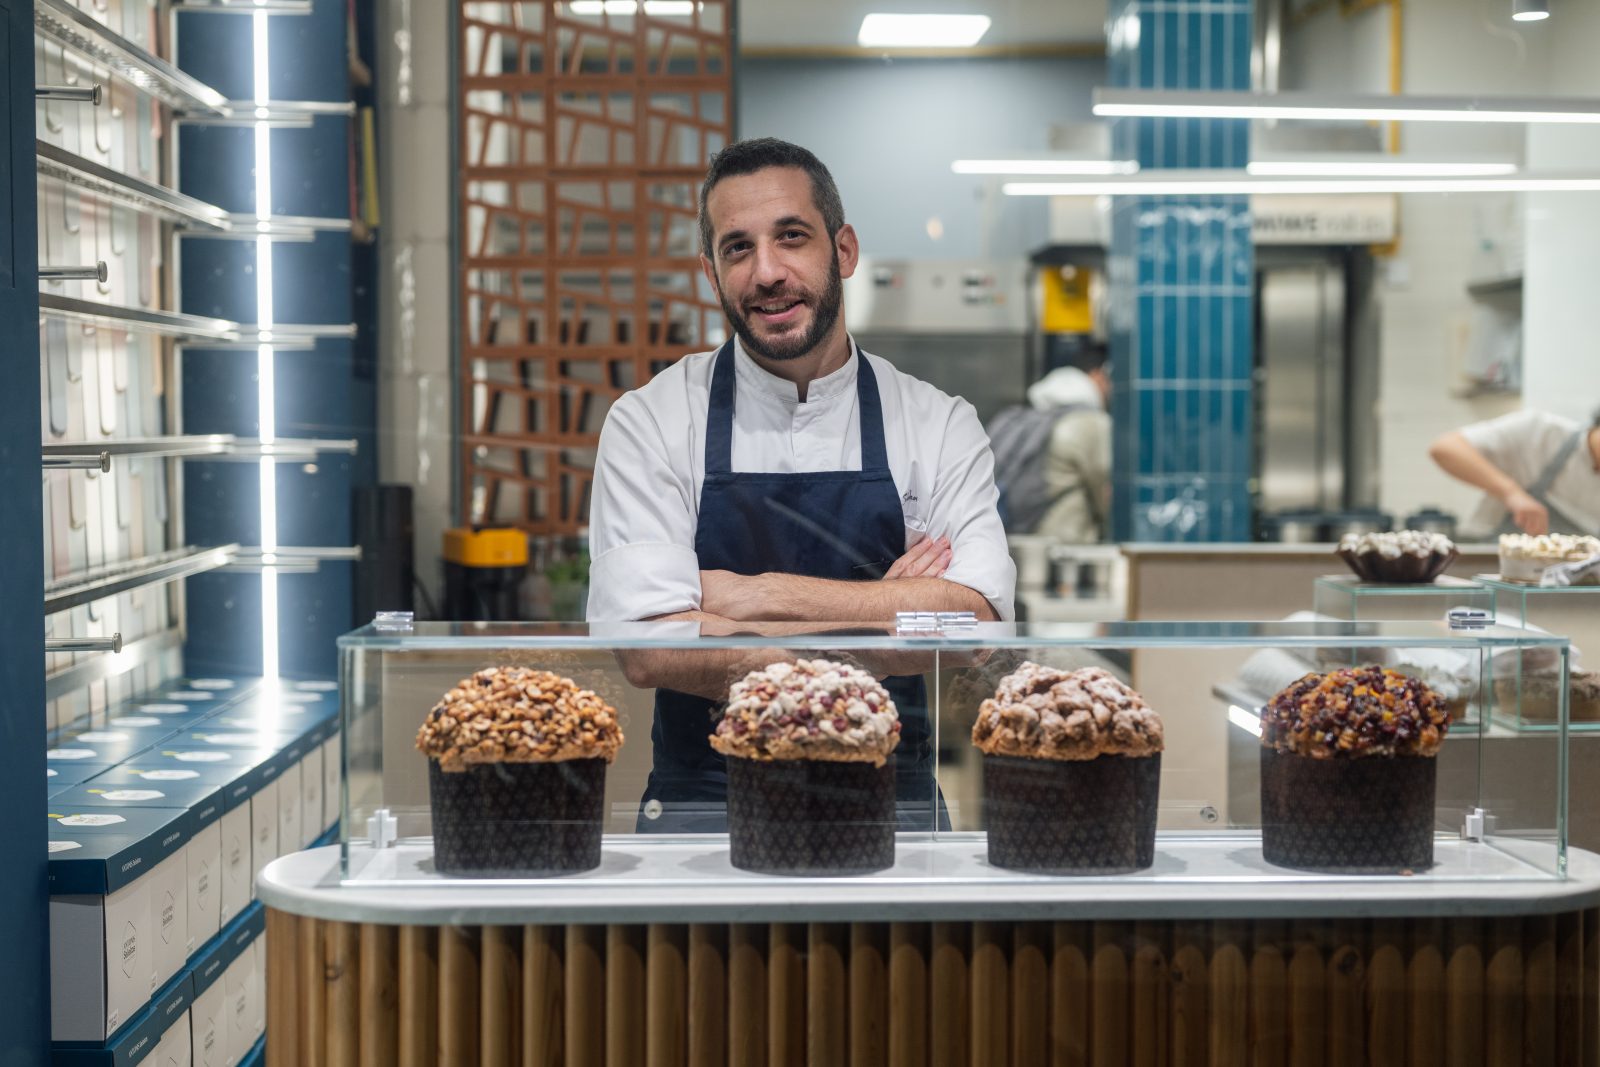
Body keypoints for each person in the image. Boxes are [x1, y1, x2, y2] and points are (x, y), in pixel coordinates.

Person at [585, 137, 1015, 832]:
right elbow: (649, 648)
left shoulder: (938, 423)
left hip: (890, 807)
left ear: (843, 250)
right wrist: (888, 611)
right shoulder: (652, 421)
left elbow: (974, 627)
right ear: (711, 272)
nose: (767, 272)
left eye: (791, 237)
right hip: (706, 811)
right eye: (737, 248)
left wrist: (744, 597)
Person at [987, 344, 1111, 541]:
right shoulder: (1090, 423)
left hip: (1016, 542)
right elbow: (1105, 495)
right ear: (1097, 375)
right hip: (1066, 547)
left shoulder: (1028, 417)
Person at [1428, 407, 1600, 538]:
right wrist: (1511, 493)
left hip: (1576, 581)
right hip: (1489, 562)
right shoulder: (1538, 431)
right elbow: (1446, 448)